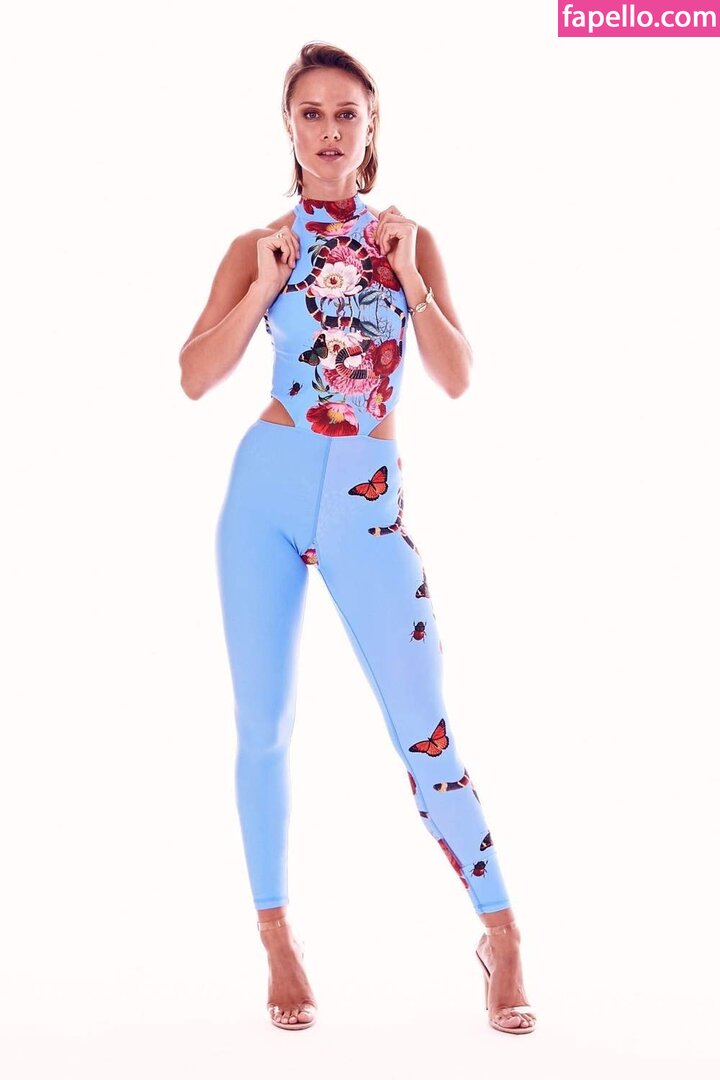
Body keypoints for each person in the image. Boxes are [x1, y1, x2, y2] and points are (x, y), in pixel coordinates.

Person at [179, 41, 536, 1035]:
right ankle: (277, 938)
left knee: (425, 727)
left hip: (368, 507)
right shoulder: (257, 243)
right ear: (288, 128)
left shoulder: (407, 241)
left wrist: (410, 276)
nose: (329, 131)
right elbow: (194, 376)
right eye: (312, 114)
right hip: (265, 493)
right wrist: (262, 288)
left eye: (347, 114)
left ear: (372, 129)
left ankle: (502, 932)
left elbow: (456, 377)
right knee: (265, 724)